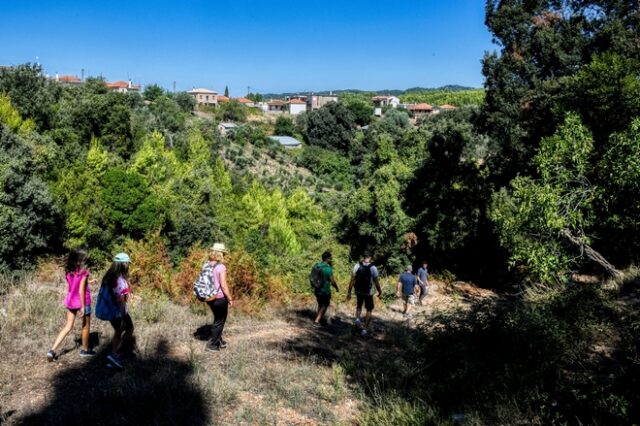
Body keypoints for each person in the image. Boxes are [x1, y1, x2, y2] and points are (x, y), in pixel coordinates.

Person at [47, 249, 97, 361]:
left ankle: (52, 351)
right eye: (84, 258)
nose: (86, 260)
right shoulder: (84, 271)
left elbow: (74, 283)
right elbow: (80, 290)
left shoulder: (68, 270)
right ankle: (85, 350)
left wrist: (89, 281)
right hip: (83, 300)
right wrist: (83, 306)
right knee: (85, 326)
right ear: (80, 259)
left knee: (68, 326)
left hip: (70, 300)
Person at [102, 253, 135, 369]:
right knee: (128, 328)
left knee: (118, 331)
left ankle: (113, 355)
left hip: (111, 311)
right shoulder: (120, 280)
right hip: (119, 312)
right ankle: (114, 354)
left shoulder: (109, 276)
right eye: (127, 264)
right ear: (123, 264)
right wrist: (122, 316)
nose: (128, 266)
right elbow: (121, 300)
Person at [204, 243, 234, 353]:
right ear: (220, 254)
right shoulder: (221, 267)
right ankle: (212, 345)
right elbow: (224, 286)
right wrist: (230, 298)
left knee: (217, 319)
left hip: (209, 297)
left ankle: (218, 340)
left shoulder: (206, 265)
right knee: (220, 321)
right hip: (220, 298)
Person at [347, 251, 382, 337]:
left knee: (359, 305)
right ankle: (364, 330)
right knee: (369, 310)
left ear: (363, 257)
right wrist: (380, 291)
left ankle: (358, 319)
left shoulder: (357, 265)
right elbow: (376, 282)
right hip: (368, 292)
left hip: (358, 290)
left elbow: (352, 279)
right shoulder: (373, 268)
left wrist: (349, 292)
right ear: (370, 257)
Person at [312, 251, 339, 327]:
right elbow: (332, 281)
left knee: (320, 304)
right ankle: (316, 321)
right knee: (325, 304)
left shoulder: (316, 265)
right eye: (330, 258)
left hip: (317, 289)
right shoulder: (328, 269)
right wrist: (337, 288)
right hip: (325, 291)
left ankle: (319, 319)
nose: (331, 259)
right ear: (327, 258)